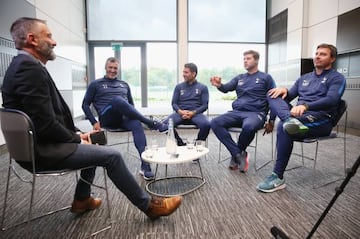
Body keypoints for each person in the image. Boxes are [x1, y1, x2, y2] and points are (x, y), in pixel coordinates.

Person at [2, 17, 182, 220]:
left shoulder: (23, 66)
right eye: (49, 36)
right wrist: (77, 138)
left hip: (39, 145)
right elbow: (46, 124)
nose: (54, 42)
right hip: (43, 151)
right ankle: (150, 207)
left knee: (98, 145)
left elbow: (43, 120)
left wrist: (79, 135)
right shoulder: (29, 69)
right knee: (111, 156)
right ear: (32, 39)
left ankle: (82, 199)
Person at [257, 43, 346, 193]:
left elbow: (332, 100)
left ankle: (277, 177)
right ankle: (289, 120)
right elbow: (288, 96)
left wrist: (305, 106)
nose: (317, 56)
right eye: (316, 53)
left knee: (283, 127)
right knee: (272, 93)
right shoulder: (304, 78)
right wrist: (283, 90)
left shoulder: (337, 78)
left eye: (323, 54)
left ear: (332, 59)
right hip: (299, 118)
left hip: (321, 119)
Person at [82, 57, 168, 180]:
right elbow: (85, 105)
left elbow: (131, 105)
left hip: (123, 119)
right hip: (107, 118)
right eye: (110, 67)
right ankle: (151, 123)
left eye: (115, 68)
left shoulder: (124, 85)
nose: (112, 70)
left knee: (136, 123)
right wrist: (94, 122)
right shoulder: (96, 84)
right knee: (118, 100)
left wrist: (132, 116)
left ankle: (145, 166)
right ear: (106, 68)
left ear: (118, 69)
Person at [210, 50, 276, 173]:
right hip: (237, 112)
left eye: (248, 58)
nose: (245, 61)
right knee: (215, 122)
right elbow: (226, 88)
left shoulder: (266, 78)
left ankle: (237, 154)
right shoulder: (240, 78)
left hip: (256, 113)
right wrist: (219, 85)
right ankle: (238, 154)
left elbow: (274, 99)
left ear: (256, 60)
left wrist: (271, 120)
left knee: (249, 126)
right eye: (244, 59)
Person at [164, 63, 210, 146]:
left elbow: (204, 106)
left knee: (206, 125)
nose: (183, 74)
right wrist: (180, 111)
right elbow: (174, 103)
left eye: (186, 72)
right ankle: (180, 143)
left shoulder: (203, 87)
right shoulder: (179, 87)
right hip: (180, 113)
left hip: (196, 114)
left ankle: (197, 145)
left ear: (193, 74)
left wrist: (192, 113)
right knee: (164, 125)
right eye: (183, 72)